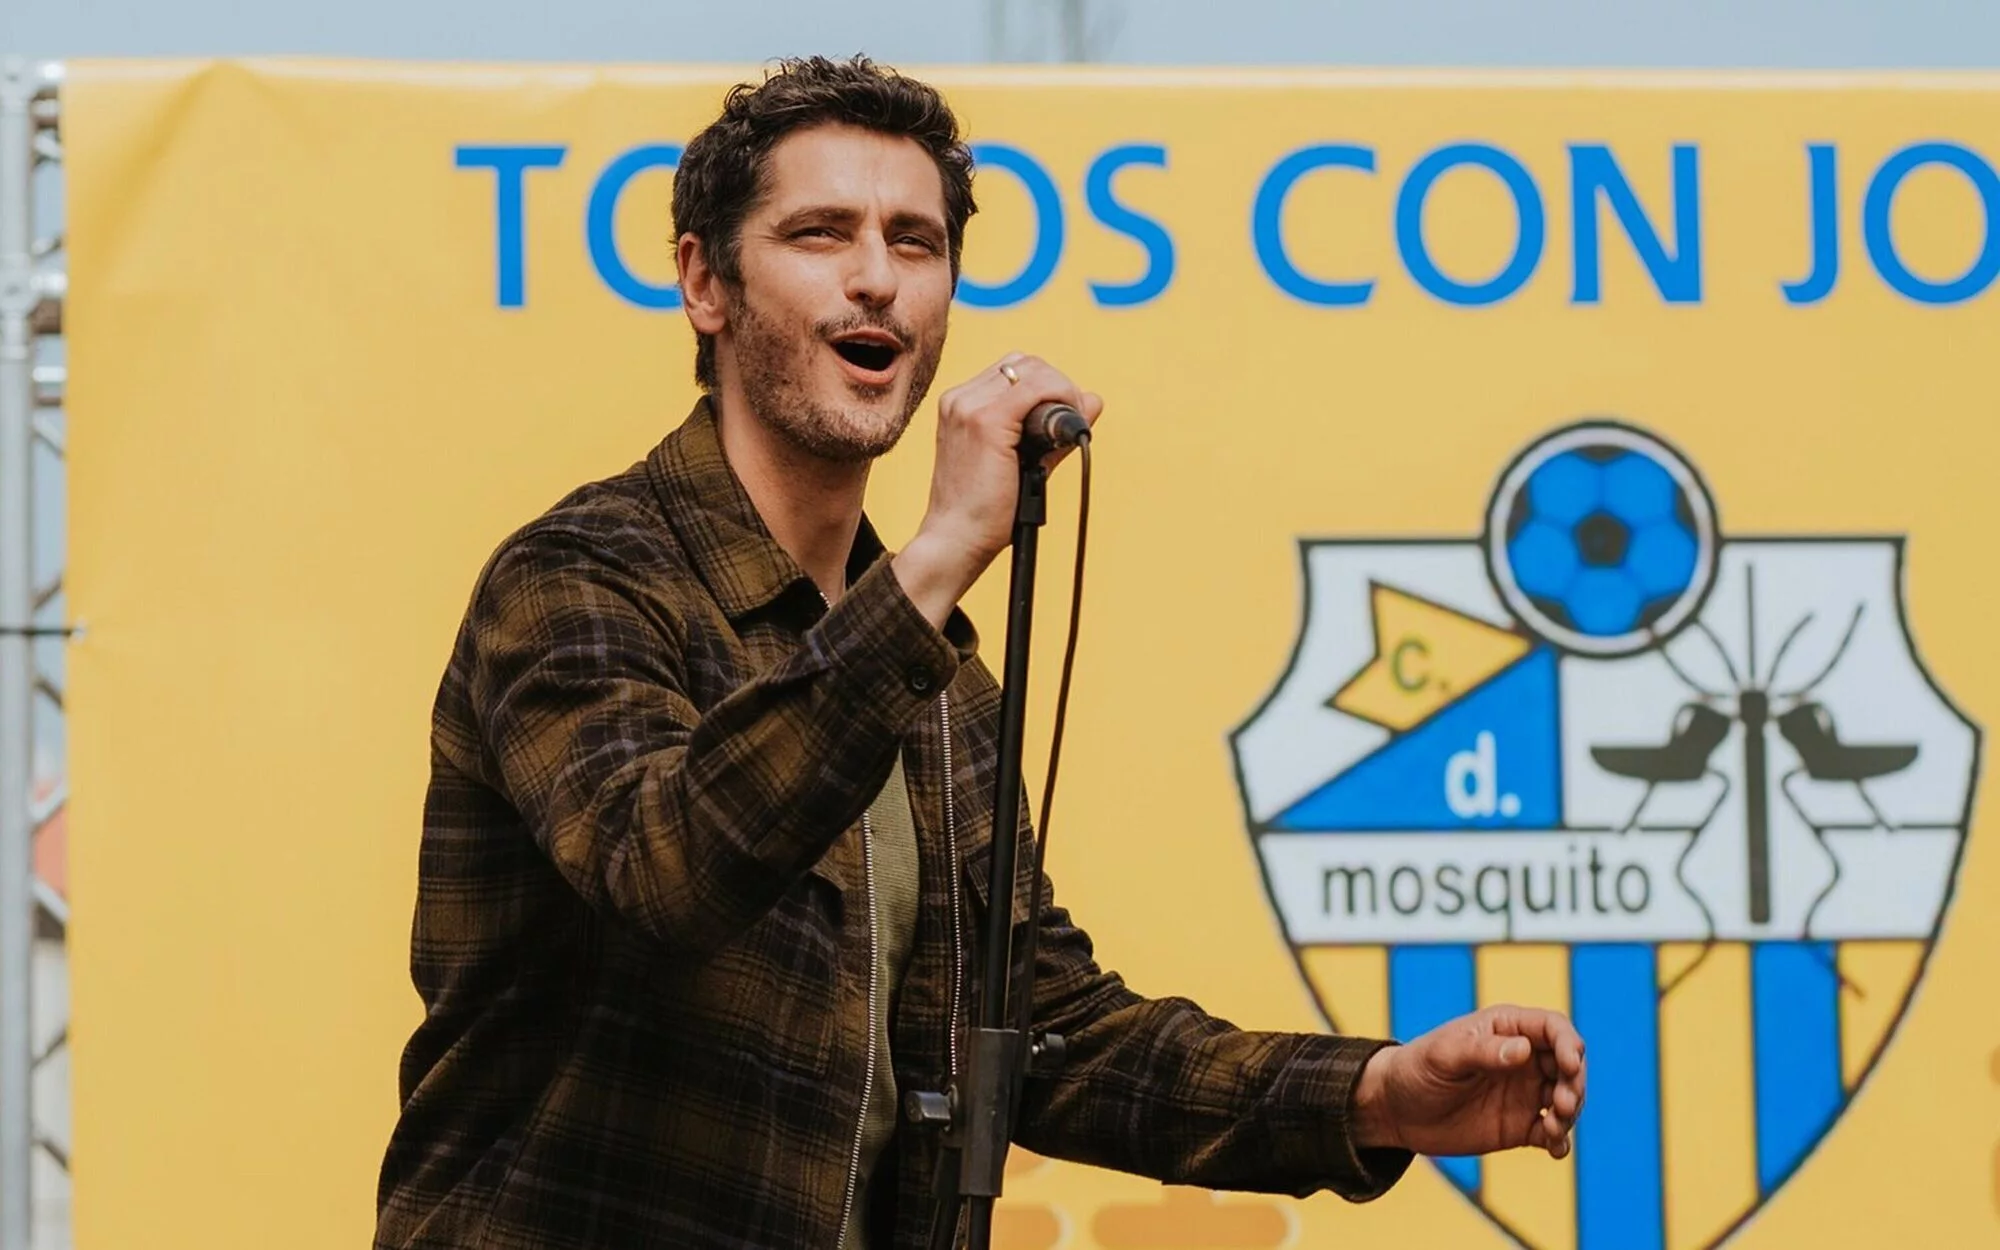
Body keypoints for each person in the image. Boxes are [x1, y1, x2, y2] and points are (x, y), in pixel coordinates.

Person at [372, 54, 1586, 1250]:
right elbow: (665, 867)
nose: (875, 279)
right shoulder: (582, 576)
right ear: (705, 282)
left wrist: (1372, 1094)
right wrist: (942, 551)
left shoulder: (933, 682)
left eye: (914, 241)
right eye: (818, 234)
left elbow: (1049, 1032)